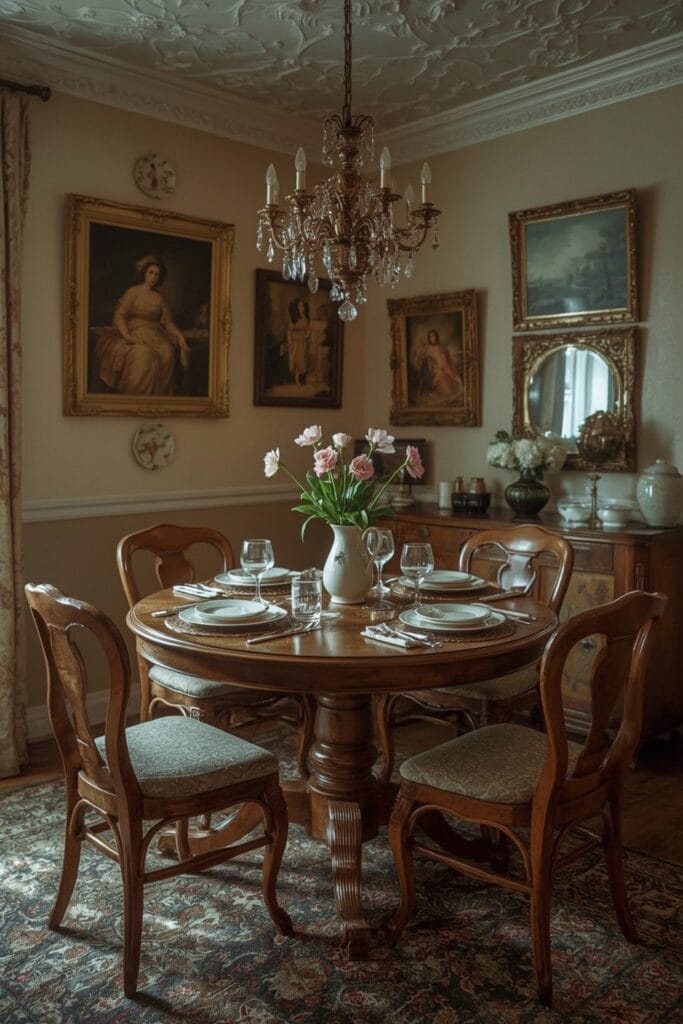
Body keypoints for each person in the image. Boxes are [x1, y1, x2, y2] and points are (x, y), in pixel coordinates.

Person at [94, 255, 190, 395]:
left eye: (157, 274)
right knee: (145, 355)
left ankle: (160, 399)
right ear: (144, 274)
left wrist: (180, 337)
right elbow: (120, 315)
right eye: (151, 272)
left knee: (168, 354)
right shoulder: (133, 291)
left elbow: (168, 322)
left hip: (157, 335)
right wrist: (127, 336)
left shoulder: (160, 298)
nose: (154, 277)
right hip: (136, 331)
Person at [412, 328, 463, 403]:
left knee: (451, 388)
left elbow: (446, 362)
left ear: (437, 337)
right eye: (431, 337)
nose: (433, 338)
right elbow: (420, 359)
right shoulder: (426, 348)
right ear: (429, 338)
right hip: (432, 373)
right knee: (446, 389)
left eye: (434, 336)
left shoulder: (441, 348)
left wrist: (447, 371)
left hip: (443, 370)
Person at [286, 298, 312, 386]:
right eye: (300, 306)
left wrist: (307, 335)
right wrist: (290, 343)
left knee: (302, 360)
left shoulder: (306, 318)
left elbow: (308, 329)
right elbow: (289, 331)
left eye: (303, 306)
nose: (302, 308)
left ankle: (301, 378)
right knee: (296, 360)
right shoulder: (293, 319)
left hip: (303, 341)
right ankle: (296, 380)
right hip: (295, 341)